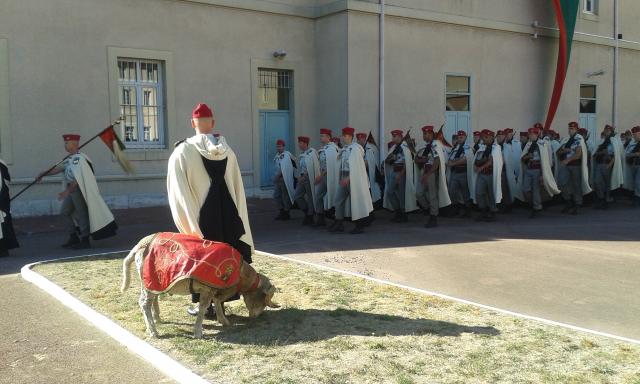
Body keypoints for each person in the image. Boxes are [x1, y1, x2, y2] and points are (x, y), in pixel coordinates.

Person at [167, 102, 254, 320]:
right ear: (213, 123)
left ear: (192, 123)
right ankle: (222, 303)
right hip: (228, 218)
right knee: (227, 256)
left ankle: (203, 306)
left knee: (204, 260)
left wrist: (188, 223)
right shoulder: (229, 152)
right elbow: (237, 187)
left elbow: (177, 192)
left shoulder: (183, 151)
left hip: (201, 219)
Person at [36, 134, 117, 249]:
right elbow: (58, 168)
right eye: (65, 143)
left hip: (79, 189)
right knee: (64, 212)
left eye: (67, 143)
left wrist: (67, 192)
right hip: (71, 190)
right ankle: (73, 236)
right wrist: (43, 173)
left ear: (75, 144)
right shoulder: (70, 159)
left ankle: (85, 239)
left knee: (81, 213)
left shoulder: (81, 159)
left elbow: (78, 179)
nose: (65, 145)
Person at [328, 127, 373, 234]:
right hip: (344, 179)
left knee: (356, 202)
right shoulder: (345, 148)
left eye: (344, 135)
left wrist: (348, 178)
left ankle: (359, 226)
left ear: (349, 136)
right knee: (338, 200)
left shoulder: (356, 149)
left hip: (353, 180)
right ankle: (339, 222)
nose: (343, 137)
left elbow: (357, 167)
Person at [519, 127, 561, 218]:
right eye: (529, 134)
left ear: (536, 134)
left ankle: (537, 207)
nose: (530, 135)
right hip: (529, 168)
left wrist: (542, 174)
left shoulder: (542, 144)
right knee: (525, 189)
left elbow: (544, 160)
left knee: (536, 190)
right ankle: (534, 204)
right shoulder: (529, 144)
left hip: (538, 169)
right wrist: (526, 157)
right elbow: (523, 157)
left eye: (531, 134)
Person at [415, 125, 451, 227]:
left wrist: (428, 174)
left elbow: (437, 161)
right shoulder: (425, 145)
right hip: (424, 171)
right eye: (423, 134)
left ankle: (433, 217)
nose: (424, 136)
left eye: (425, 134)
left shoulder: (435, 144)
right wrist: (421, 160)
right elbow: (416, 159)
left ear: (430, 134)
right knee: (419, 194)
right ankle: (428, 209)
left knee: (432, 195)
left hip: (431, 173)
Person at [556, 122, 591, 214]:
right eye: (569, 128)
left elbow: (578, 154)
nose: (570, 130)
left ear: (576, 129)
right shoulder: (566, 139)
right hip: (566, 165)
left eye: (572, 128)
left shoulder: (579, 138)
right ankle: (568, 202)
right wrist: (564, 151)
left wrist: (568, 157)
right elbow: (558, 152)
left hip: (575, 165)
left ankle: (577, 204)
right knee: (562, 183)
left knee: (576, 185)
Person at [383, 130, 417, 222]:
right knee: (389, 192)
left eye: (394, 137)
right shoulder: (394, 147)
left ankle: (403, 214)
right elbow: (390, 159)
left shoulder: (405, 147)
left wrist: (401, 174)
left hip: (401, 172)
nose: (393, 138)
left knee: (402, 194)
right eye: (392, 137)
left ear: (399, 137)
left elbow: (407, 162)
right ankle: (397, 211)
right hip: (394, 171)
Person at [473, 129, 503, 222]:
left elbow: (491, 161)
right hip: (482, 174)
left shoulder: (496, 148)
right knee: (479, 192)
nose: (483, 139)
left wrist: (480, 167)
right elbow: (478, 159)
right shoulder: (482, 147)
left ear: (490, 137)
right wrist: (477, 164)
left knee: (492, 193)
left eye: (485, 137)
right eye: (483, 137)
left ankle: (493, 212)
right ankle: (483, 211)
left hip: (491, 174)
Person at [592, 125, 623, 209]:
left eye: (608, 130)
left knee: (607, 184)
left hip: (607, 164)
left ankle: (606, 201)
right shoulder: (601, 141)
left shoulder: (613, 141)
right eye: (605, 130)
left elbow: (615, 155)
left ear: (611, 132)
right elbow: (595, 153)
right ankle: (601, 199)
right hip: (599, 164)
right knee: (597, 182)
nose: (606, 132)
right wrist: (601, 152)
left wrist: (609, 163)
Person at [313, 128, 339, 227]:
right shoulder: (323, 148)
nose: (321, 137)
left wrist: (321, 176)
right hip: (323, 176)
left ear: (328, 137)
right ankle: (321, 218)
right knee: (318, 196)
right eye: (321, 135)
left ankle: (337, 219)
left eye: (323, 136)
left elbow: (331, 165)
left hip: (330, 176)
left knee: (334, 196)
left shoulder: (332, 148)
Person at [446, 130, 474, 218]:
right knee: (452, 191)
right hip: (455, 173)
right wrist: (455, 161)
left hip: (463, 173)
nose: (460, 139)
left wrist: (454, 162)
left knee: (465, 193)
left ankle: (468, 210)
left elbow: (465, 159)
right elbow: (450, 159)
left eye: (462, 137)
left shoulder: (468, 148)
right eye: (459, 137)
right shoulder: (455, 148)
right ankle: (455, 209)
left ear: (465, 137)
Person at [294, 136, 320, 225]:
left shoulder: (312, 152)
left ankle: (310, 216)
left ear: (305, 143)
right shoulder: (302, 154)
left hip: (309, 178)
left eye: (300, 143)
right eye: (299, 143)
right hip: (302, 178)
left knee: (310, 198)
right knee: (297, 196)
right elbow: (301, 168)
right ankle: (307, 212)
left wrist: (304, 176)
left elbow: (314, 166)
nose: (299, 145)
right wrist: (299, 177)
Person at [356, 133, 383, 207]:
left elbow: (368, 163)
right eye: (358, 139)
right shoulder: (358, 149)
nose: (358, 141)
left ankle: (371, 211)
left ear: (364, 139)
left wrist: (358, 163)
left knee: (369, 192)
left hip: (368, 174)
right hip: (362, 174)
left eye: (360, 139)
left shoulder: (369, 149)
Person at [272, 139, 296, 221]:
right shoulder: (277, 156)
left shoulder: (286, 155)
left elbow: (286, 167)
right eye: (277, 146)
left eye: (280, 146)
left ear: (283, 147)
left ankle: (286, 212)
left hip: (284, 179)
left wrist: (278, 175)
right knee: (277, 196)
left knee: (285, 196)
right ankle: (281, 211)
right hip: (278, 179)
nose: (279, 148)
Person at [0, 159, 18, 256]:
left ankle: (3, 249)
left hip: (1, 201)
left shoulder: (1, 164)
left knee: (2, 226)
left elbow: (5, 183)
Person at [624, 126, 640, 206]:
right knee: (633, 183)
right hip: (632, 166)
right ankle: (635, 198)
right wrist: (635, 154)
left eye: (636, 134)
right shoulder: (631, 144)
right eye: (634, 135)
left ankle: (637, 200)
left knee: (638, 182)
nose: (634, 136)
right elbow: (626, 154)